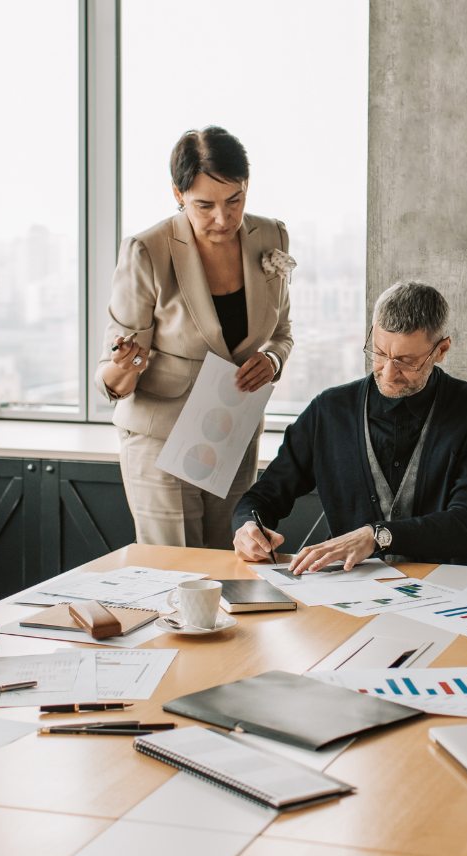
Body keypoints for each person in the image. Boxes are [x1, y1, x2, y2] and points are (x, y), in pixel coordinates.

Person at [94, 126, 294, 550]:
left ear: (246, 188)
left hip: (233, 429)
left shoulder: (271, 236)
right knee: (178, 573)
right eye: (204, 205)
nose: (222, 219)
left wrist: (273, 360)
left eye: (234, 201)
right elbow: (110, 380)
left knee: (233, 564)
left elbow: (282, 332)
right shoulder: (147, 250)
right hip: (161, 439)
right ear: (177, 193)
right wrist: (126, 365)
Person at [231, 281, 467, 570]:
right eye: (380, 353)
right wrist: (248, 526)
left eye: (407, 361)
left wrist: (377, 536)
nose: (388, 373)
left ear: (441, 350)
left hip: (446, 587)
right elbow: (264, 495)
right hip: (352, 591)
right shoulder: (328, 411)